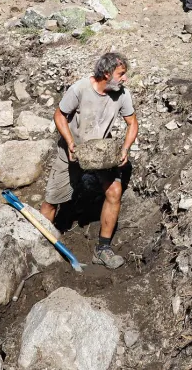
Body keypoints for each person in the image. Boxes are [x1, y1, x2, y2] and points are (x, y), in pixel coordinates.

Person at [40, 52, 139, 269]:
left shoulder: (122, 94)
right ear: (107, 74)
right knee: (52, 200)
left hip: (101, 151)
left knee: (114, 192)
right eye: (121, 74)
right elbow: (59, 115)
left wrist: (125, 149)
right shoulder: (80, 89)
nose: (125, 79)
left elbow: (132, 123)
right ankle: (38, 245)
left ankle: (102, 249)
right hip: (73, 150)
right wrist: (70, 142)